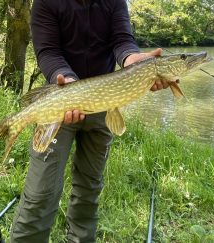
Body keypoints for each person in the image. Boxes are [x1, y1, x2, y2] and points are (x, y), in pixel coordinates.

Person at [10, 0, 169, 242]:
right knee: (41, 193)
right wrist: (70, 83)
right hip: (60, 100)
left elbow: (122, 40)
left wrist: (131, 58)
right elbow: (48, 52)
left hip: (104, 103)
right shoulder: (45, 3)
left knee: (89, 188)